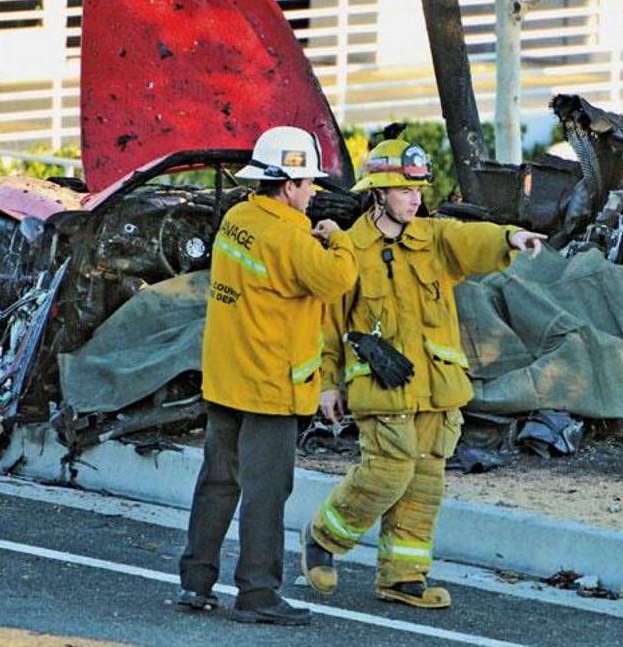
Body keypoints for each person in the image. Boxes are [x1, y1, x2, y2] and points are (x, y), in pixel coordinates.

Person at [300, 138, 546, 608]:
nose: (415, 198)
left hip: (437, 389)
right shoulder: (349, 249)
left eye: (418, 190)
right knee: (387, 474)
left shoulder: (432, 238)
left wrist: (509, 236)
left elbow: (469, 239)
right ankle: (323, 539)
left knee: (424, 484)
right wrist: (328, 384)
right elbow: (328, 325)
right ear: (379, 193)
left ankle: (403, 577)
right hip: (382, 389)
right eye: (404, 190)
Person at [178, 125, 357, 625]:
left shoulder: (238, 217)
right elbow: (338, 281)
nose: (314, 193)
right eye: (308, 184)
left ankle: (196, 581)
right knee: (265, 494)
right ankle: (257, 594)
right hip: (272, 388)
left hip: (227, 378)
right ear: (288, 184)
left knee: (217, 482)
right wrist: (338, 240)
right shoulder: (292, 235)